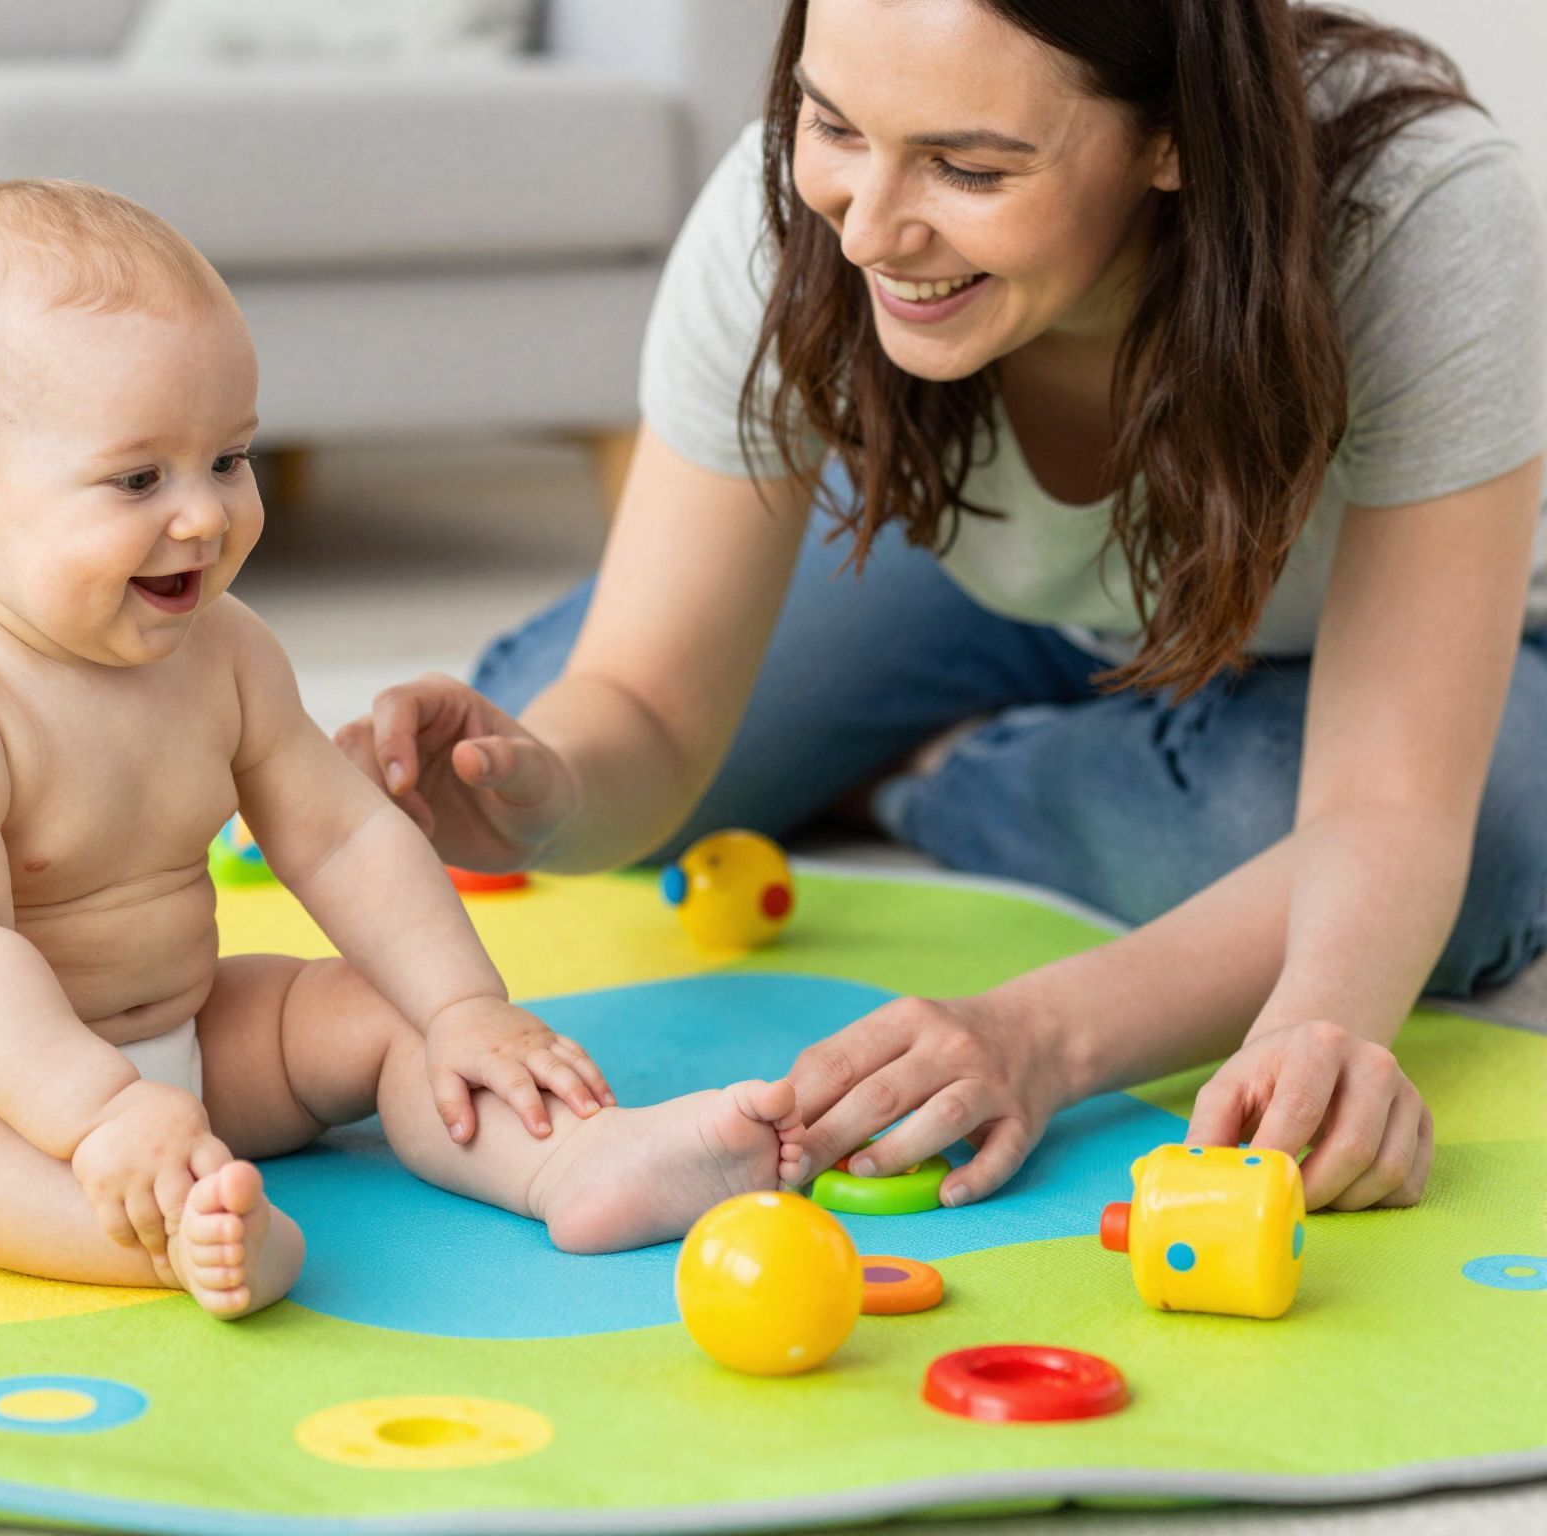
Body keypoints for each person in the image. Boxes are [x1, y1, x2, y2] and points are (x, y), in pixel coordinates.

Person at [337, 0, 1547, 1216]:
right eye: (831, 125)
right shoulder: (796, 217)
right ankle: (989, 733)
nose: (866, 229)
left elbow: (1385, 803)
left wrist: (1082, 1032)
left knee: (1461, 863)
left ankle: (945, 771)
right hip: (983, 571)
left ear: (1179, 134)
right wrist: (549, 794)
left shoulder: (1414, 219)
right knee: (541, 704)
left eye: (968, 168)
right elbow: (641, 703)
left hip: (1335, 642)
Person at [0, 180, 803, 1318]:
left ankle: (572, 1164)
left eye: (229, 459)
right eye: (138, 478)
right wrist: (97, 1113)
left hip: (179, 1044)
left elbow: (346, 834)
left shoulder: (221, 651)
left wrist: (461, 1005)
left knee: (380, 1013)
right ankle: (154, 1241)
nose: (205, 516)